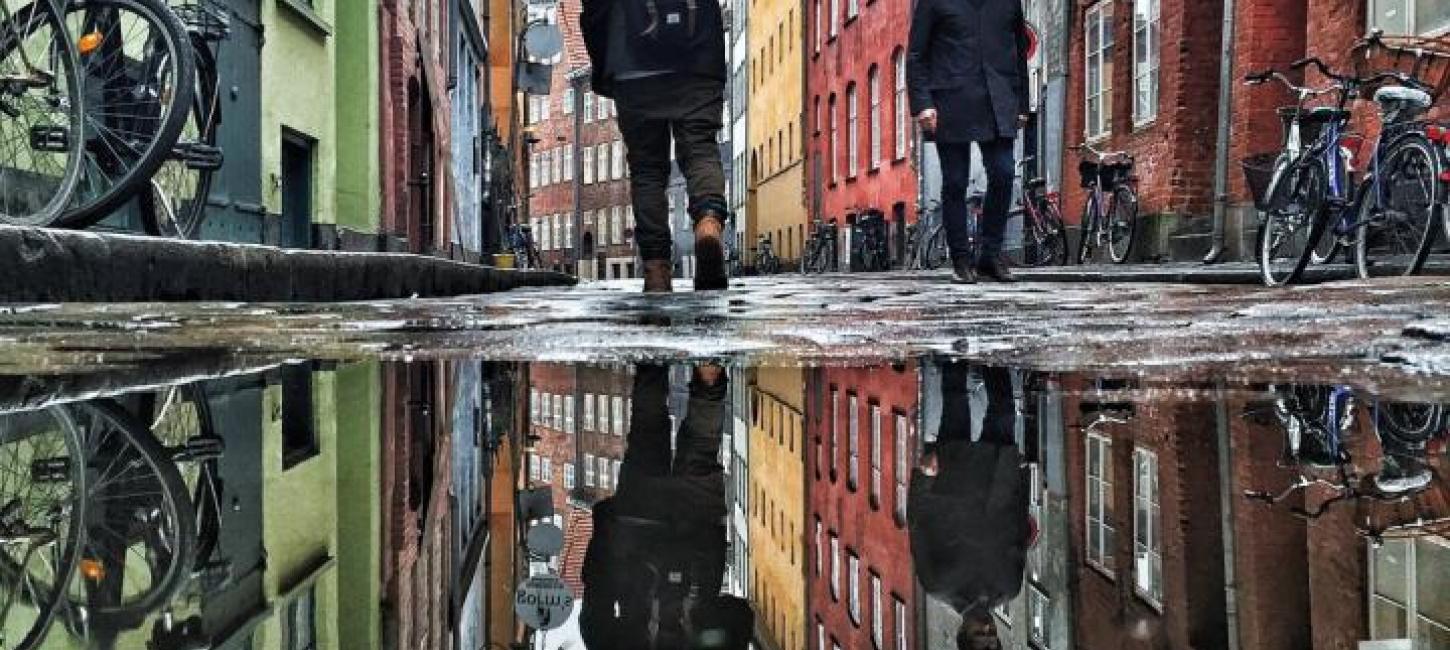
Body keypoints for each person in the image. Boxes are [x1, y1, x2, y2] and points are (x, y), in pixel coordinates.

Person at [580, 363, 753, 649]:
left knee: (701, 447)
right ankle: (652, 354)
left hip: (694, 542)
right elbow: (595, 609)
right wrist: (607, 533)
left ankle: (707, 373)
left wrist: (701, 615)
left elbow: (738, 614)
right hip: (636, 530)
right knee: (648, 430)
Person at [581, 0, 730, 292]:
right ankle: (708, 224)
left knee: (647, 168)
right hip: (697, 52)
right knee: (700, 147)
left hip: (632, 58)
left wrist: (603, 59)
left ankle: (657, 268)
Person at [906, 0, 1031, 284]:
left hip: (997, 98)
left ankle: (990, 255)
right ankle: (961, 259)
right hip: (949, 101)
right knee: (955, 181)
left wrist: (1022, 104)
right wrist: (923, 103)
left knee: (1003, 173)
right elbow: (916, 55)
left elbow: (1019, 54)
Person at [909, 361, 1032, 650]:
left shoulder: (938, 584)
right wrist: (1021, 477)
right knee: (1002, 407)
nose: (988, 628)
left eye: (980, 634)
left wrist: (924, 480)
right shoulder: (1010, 588)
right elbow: (1019, 532)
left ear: (963, 633)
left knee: (955, 400)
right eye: (993, 635)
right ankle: (992, 352)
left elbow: (919, 527)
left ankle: (957, 345)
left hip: (954, 479)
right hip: (998, 479)